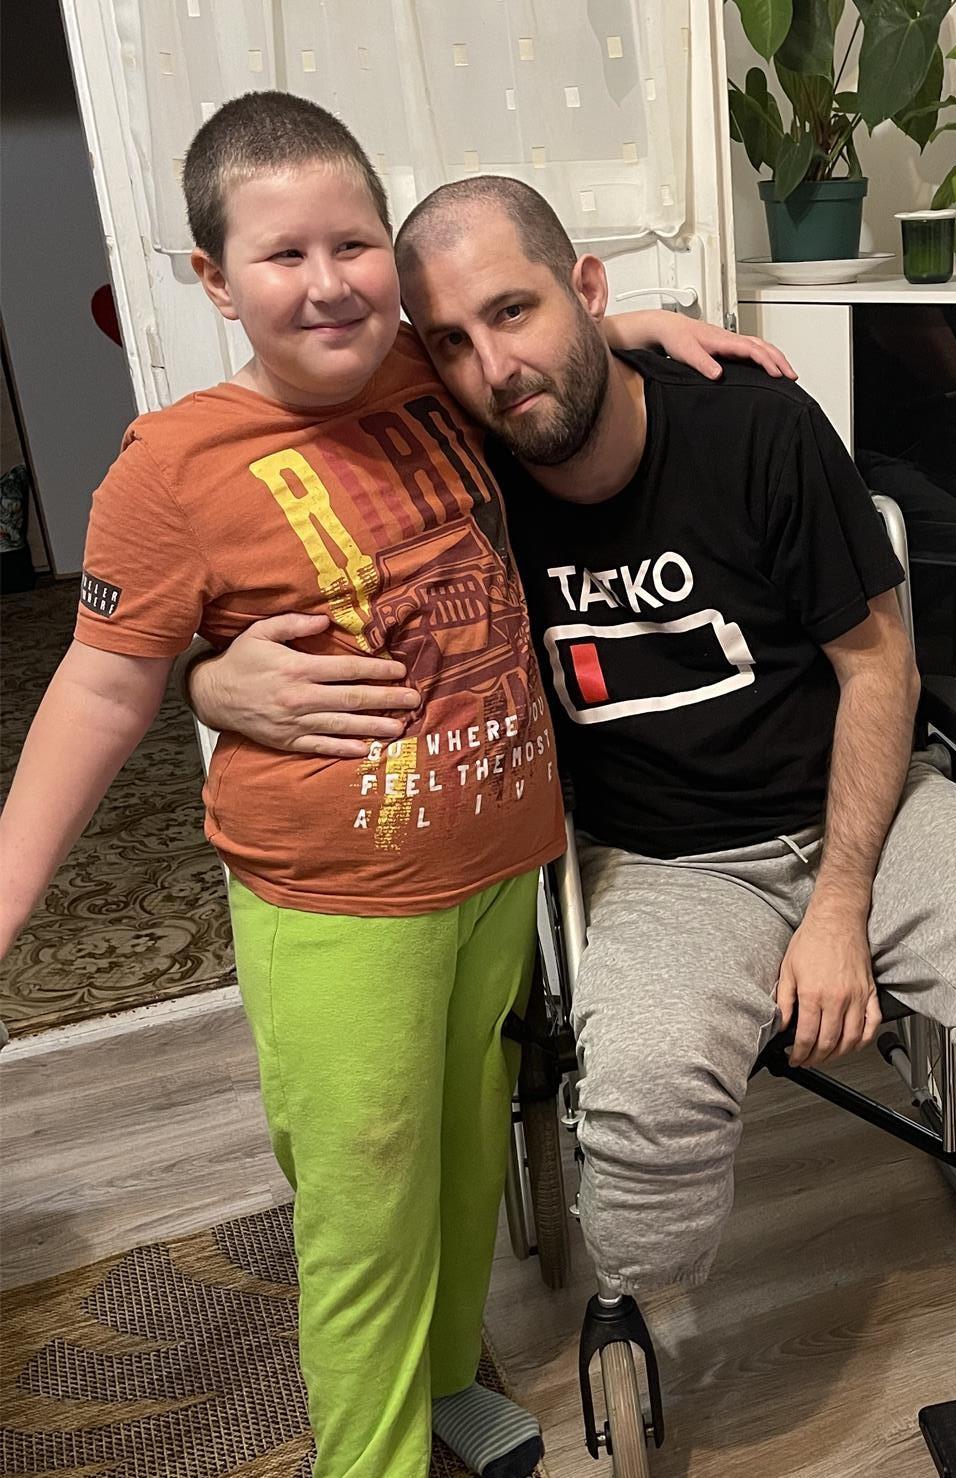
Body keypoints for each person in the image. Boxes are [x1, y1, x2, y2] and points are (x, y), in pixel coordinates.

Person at [191, 176, 956, 1477]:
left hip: (856, 812)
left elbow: (877, 662)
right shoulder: (461, 485)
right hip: (660, 863)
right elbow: (274, 553)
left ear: (587, 290)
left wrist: (839, 907)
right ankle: (637, 1289)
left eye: (517, 312)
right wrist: (207, 680)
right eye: (455, 342)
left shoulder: (758, 429)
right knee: (644, 1112)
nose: (496, 367)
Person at [0, 96, 790, 1478]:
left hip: (494, 875)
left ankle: (447, 1378)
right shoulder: (172, 469)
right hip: (335, 909)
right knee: (363, 1208)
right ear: (215, 282)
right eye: (282, 255)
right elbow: (100, 688)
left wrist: (653, 326)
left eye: (353, 243)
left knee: (464, 1158)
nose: (327, 283)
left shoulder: (431, 371)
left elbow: (541, 343)